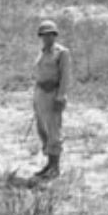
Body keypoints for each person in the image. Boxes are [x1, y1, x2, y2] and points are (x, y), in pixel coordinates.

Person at [32, 20, 70, 179]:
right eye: (44, 35)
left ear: (55, 35)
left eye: (50, 34)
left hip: (53, 94)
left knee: (54, 130)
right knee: (43, 130)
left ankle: (55, 167)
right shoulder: (42, 52)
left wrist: (60, 97)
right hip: (40, 94)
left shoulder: (61, 53)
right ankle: (49, 163)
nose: (47, 38)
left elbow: (65, 77)